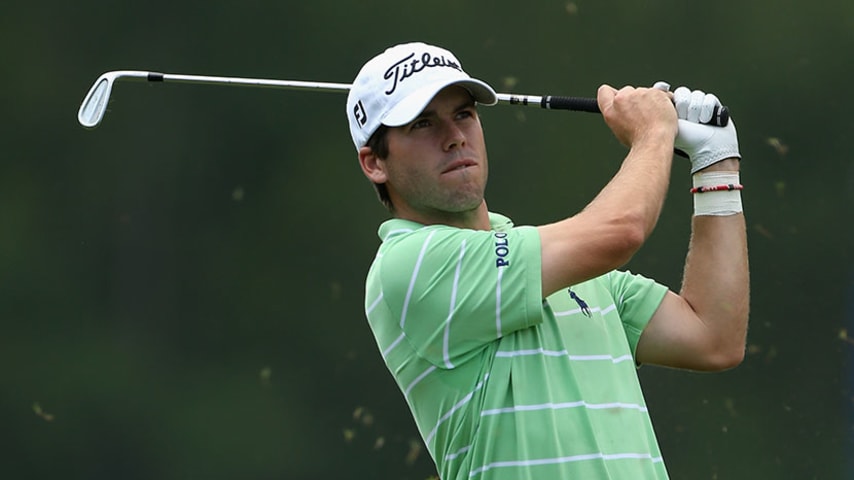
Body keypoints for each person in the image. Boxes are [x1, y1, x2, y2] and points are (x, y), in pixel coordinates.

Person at [346, 41, 749, 480]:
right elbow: (622, 231)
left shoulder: (571, 272)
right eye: (422, 123)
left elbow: (713, 336)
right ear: (374, 164)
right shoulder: (409, 264)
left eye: (463, 113)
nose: (454, 136)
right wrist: (654, 133)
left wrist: (717, 168)